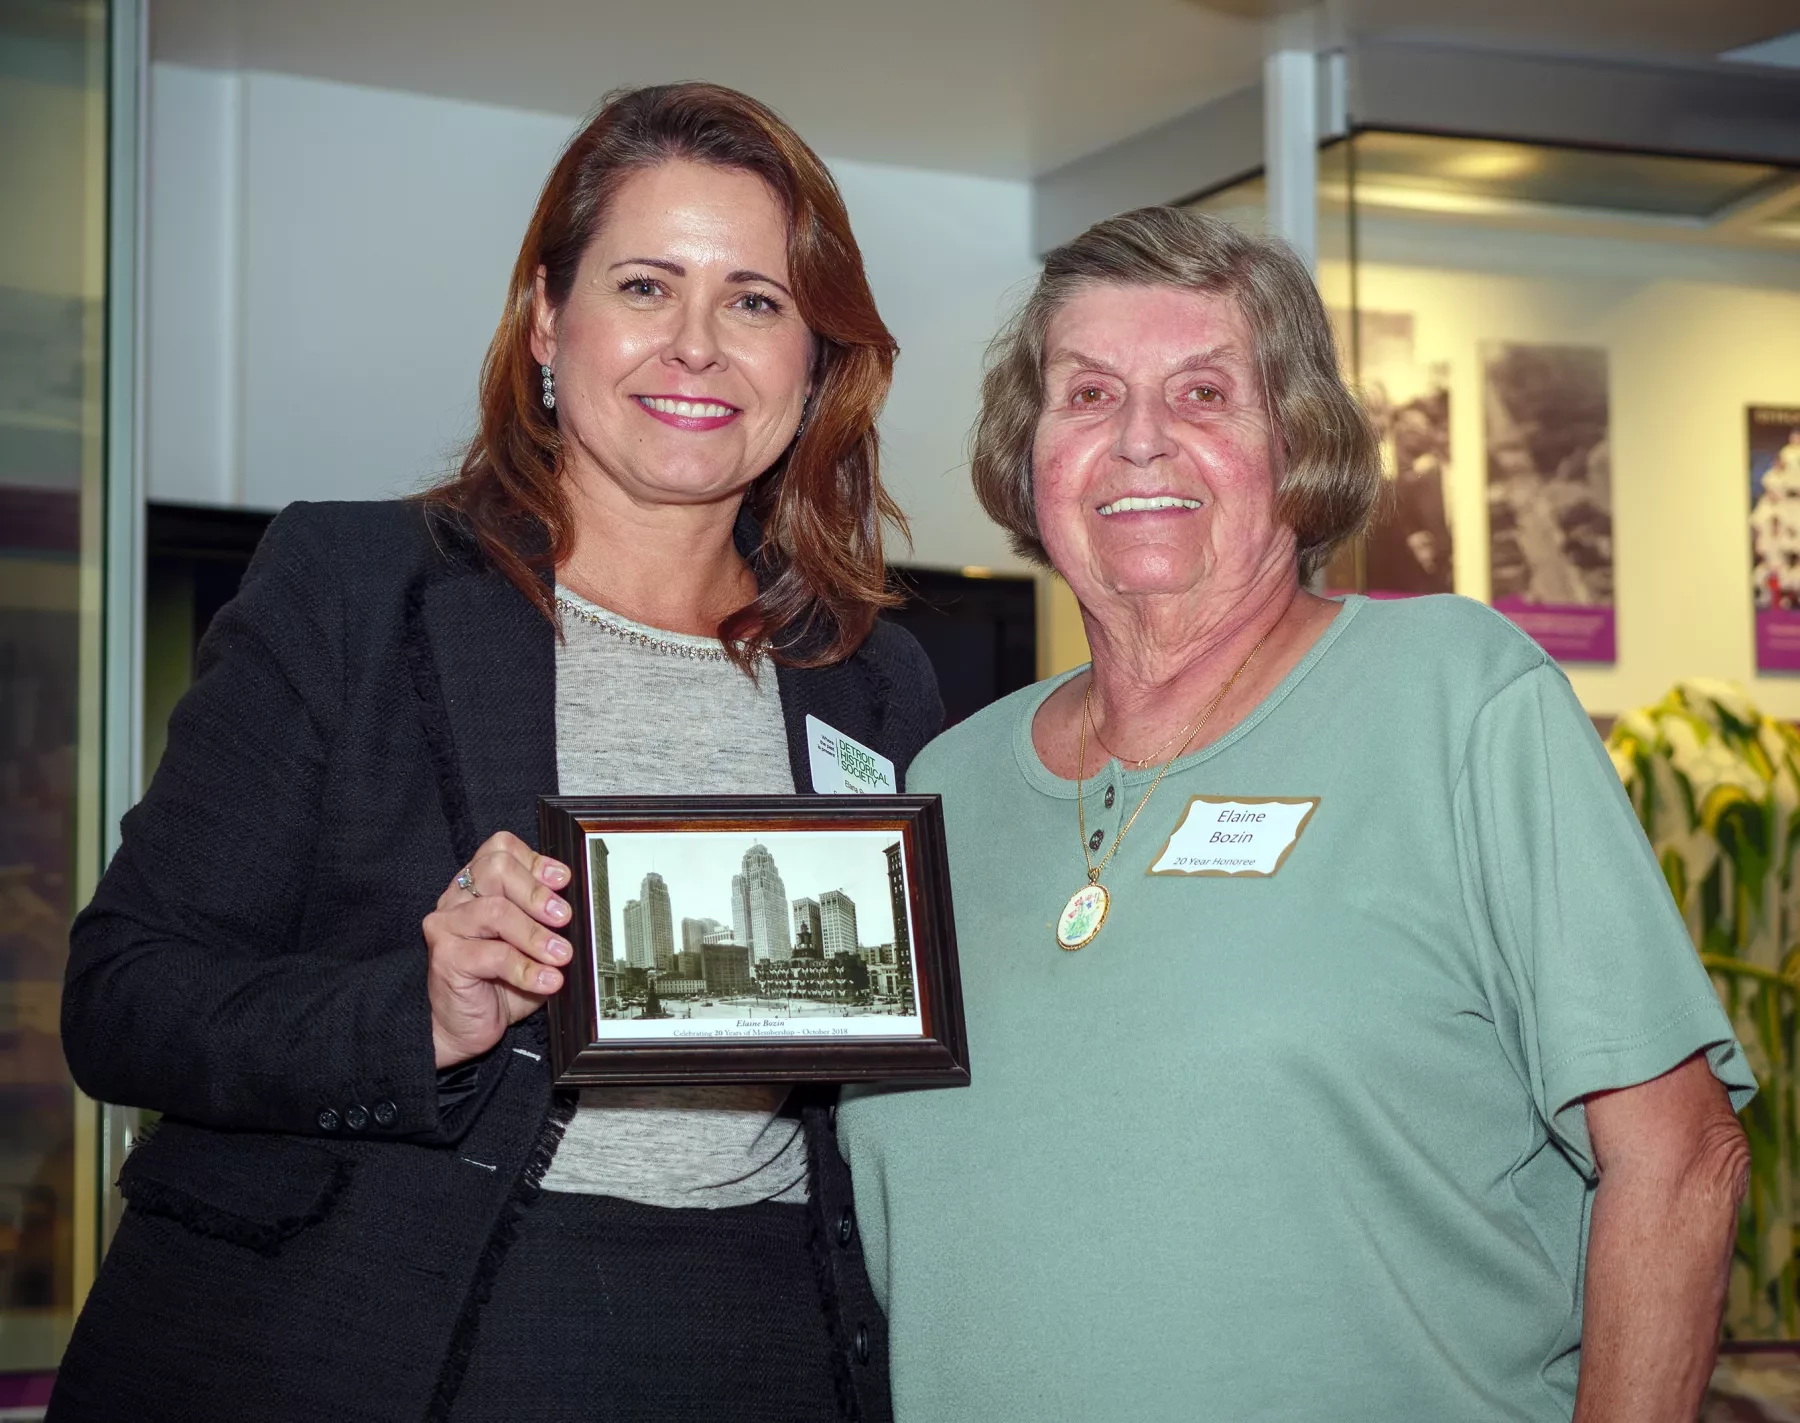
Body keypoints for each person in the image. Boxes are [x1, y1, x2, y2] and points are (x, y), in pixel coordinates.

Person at [54, 83, 938, 1423]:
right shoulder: (353, 584)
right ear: (545, 320)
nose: (697, 347)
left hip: (762, 1335)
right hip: (369, 1325)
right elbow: (122, 996)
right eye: (646, 285)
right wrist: (414, 1007)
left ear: (815, 358)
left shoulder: (876, 673)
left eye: (756, 300)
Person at [836, 206, 1754, 1422]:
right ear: (1030, 449)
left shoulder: (1455, 698)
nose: (1142, 441)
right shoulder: (939, 792)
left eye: (1206, 393)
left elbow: (1681, 1158)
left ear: (1298, 441)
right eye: (1090, 394)